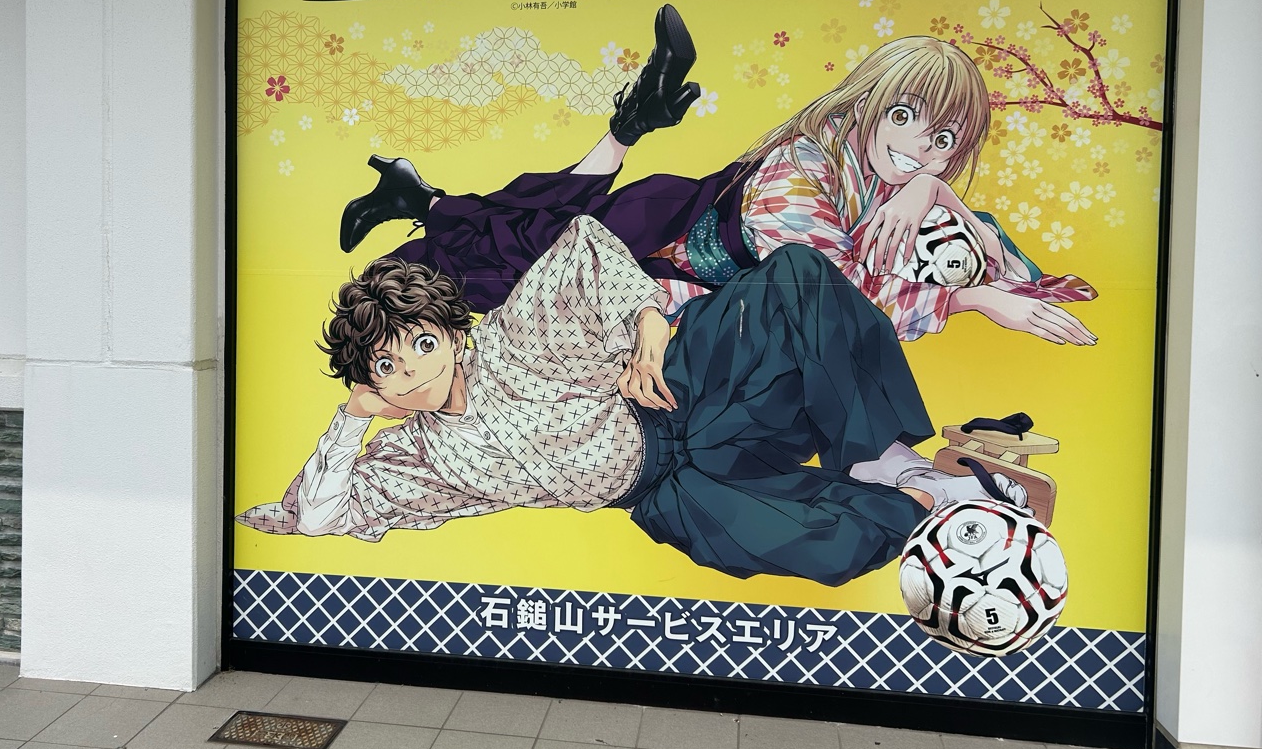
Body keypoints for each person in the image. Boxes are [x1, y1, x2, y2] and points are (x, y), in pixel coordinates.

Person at [238, 216, 1029, 586]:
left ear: (447, 330)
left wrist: (649, 324)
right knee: (818, 543)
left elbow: (584, 247)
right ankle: (941, 512)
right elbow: (321, 515)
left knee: (796, 276)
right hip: (669, 491)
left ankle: (890, 462)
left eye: (420, 342)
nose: (412, 368)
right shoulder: (417, 459)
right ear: (373, 383)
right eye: (387, 364)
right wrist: (350, 422)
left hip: (688, 395)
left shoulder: (511, 339)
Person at [340, 8, 1096, 345]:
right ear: (867, 105)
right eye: (903, 115)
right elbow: (833, 294)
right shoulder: (801, 170)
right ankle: (426, 201)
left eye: (943, 137)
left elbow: (980, 240)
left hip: (663, 262)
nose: (918, 147)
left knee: (531, 240)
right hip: (656, 238)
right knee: (514, 265)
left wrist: (934, 189)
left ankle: (419, 194)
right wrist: (965, 298)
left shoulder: (899, 184)